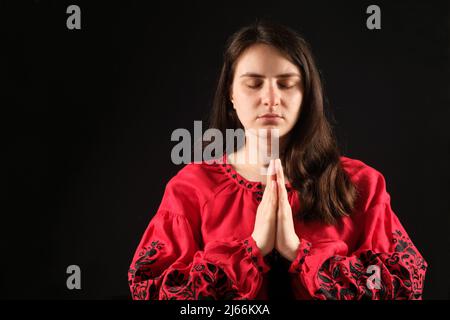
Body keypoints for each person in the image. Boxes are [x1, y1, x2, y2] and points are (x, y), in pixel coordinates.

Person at [127, 20, 427, 300]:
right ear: (231, 94)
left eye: (286, 83)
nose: (271, 98)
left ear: (307, 93)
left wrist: (298, 251)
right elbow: (150, 289)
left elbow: (403, 287)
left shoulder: (361, 183)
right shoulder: (191, 188)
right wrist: (251, 249)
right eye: (254, 83)